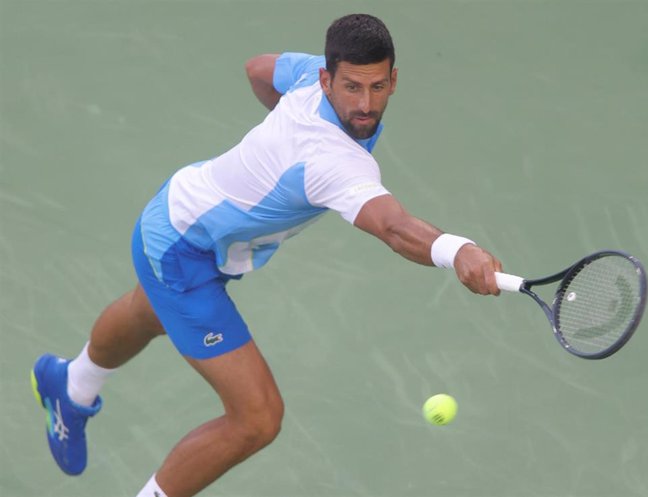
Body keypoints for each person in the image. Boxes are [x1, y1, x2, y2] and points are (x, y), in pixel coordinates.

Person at [31, 13, 503, 497]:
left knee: (148, 312)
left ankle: (69, 384)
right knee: (257, 419)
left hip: (181, 209)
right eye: (352, 88)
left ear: (394, 79)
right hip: (181, 252)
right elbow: (393, 227)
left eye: (377, 87)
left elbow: (258, 68)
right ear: (328, 78)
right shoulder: (331, 163)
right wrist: (458, 249)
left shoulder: (306, 76)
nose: (365, 105)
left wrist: (278, 133)